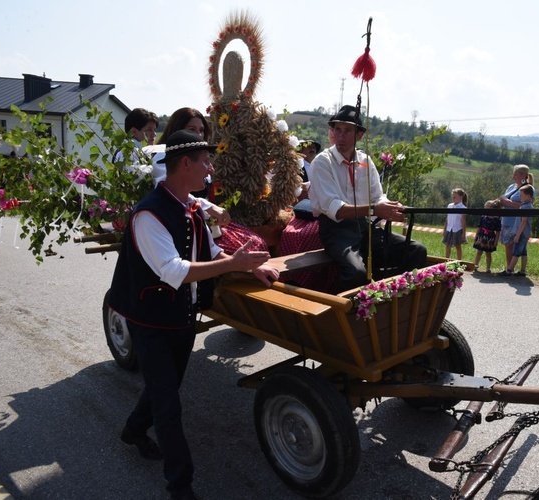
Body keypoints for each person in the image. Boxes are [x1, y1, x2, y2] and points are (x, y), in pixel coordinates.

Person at [108, 130, 278, 500]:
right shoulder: (147, 214)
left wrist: (249, 268)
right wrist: (233, 263)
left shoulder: (192, 206)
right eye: (205, 160)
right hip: (149, 320)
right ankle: (180, 485)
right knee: (169, 404)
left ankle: (134, 429)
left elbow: (213, 250)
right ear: (185, 163)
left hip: (181, 317)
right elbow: (174, 271)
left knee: (164, 388)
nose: (210, 167)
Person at [309, 105, 427, 293]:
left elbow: (377, 197)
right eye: (337, 130)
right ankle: (330, 311)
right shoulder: (323, 162)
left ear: (359, 135)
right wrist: (374, 209)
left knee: (416, 251)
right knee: (356, 273)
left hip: (366, 228)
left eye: (347, 131)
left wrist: (391, 208)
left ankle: (393, 301)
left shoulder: (365, 161)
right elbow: (335, 209)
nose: (340, 136)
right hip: (336, 231)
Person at [151, 107, 231, 229]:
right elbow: (171, 193)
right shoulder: (165, 156)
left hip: (203, 223)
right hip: (179, 224)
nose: (199, 134)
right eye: (192, 129)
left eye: (201, 130)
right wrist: (207, 206)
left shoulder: (199, 159)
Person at [499, 164, 534, 269]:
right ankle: (508, 267)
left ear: (523, 175)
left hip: (516, 222)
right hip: (506, 219)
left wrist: (509, 203)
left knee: (513, 246)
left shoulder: (528, 189)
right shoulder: (511, 187)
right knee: (507, 246)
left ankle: (511, 269)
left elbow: (527, 206)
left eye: (516, 175)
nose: (514, 177)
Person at [472, 199, 502, 273]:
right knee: (479, 252)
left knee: (488, 253)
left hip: (490, 238)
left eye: (489, 207)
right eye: (486, 207)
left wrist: (496, 241)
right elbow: (479, 227)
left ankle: (488, 268)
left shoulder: (496, 219)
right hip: (482, 236)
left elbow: (498, 231)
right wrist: (476, 236)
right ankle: (475, 265)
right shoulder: (483, 217)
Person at [442, 188, 467, 260]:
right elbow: (447, 218)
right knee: (447, 245)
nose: (453, 198)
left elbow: (463, 222)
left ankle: (459, 261)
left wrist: (464, 234)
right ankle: (446, 260)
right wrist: (444, 229)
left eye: (455, 197)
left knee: (458, 246)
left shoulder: (463, 208)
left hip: (457, 229)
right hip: (449, 228)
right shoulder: (450, 206)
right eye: (452, 197)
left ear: (461, 197)